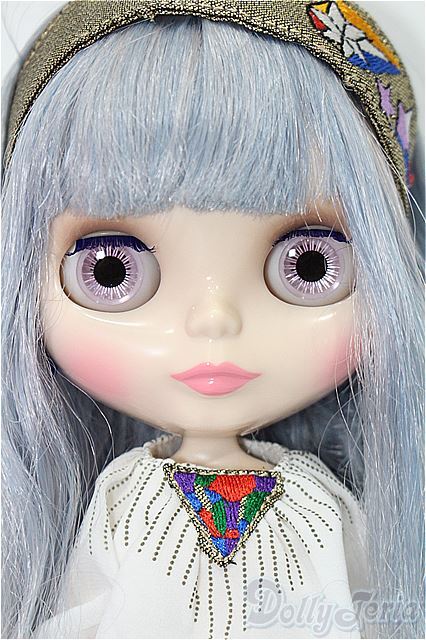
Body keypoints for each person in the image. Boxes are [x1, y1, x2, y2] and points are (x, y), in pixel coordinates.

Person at [2, 2, 423, 638]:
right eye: (112, 269)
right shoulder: (122, 504)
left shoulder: (322, 505)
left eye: (308, 264)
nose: (214, 321)